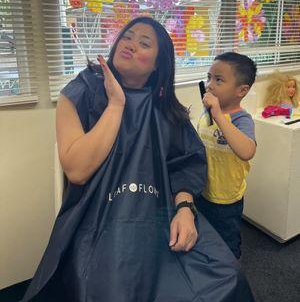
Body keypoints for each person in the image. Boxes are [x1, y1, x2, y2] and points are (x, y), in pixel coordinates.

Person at [22, 18, 254, 302]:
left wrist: (184, 209)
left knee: (227, 278)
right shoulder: (82, 91)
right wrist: (117, 105)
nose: (131, 44)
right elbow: (77, 170)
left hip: (160, 212)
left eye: (144, 43)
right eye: (127, 37)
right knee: (111, 289)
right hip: (98, 218)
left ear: (158, 64)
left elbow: (185, 164)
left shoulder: (166, 109)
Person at [196, 52, 257, 260]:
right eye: (209, 77)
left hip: (226, 201)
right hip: (203, 192)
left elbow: (247, 151)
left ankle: (231, 278)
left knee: (227, 245)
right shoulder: (206, 115)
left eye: (218, 80)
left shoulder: (241, 120)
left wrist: (220, 117)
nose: (210, 85)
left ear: (241, 90)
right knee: (205, 236)